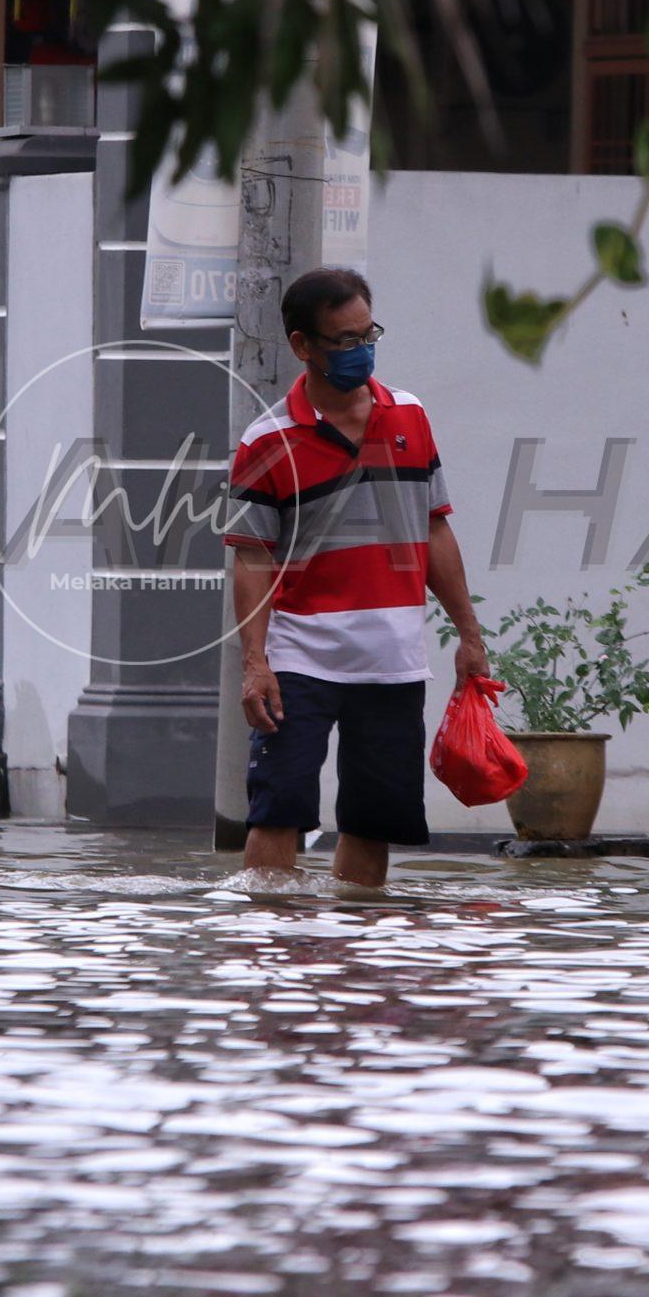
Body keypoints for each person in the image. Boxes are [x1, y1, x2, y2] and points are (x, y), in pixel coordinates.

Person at [223, 267, 489, 888]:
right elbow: (253, 557)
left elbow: (434, 531)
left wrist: (469, 635)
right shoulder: (267, 441)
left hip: (392, 660)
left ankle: (359, 959)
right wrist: (255, 662)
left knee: (373, 822)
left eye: (367, 335)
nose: (359, 351)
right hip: (298, 661)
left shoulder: (412, 417)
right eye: (342, 340)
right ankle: (270, 951)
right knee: (278, 810)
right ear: (302, 345)